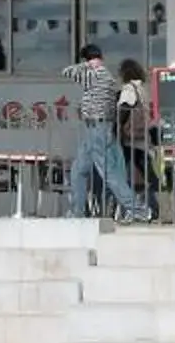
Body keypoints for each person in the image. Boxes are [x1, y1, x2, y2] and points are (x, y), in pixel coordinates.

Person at [62, 42, 152, 223]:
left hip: (97, 129)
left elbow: (67, 72)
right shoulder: (109, 79)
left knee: (109, 174)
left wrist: (89, 64)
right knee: (78, 170)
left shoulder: (95, 75)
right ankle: (77, 211)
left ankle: (139, 209)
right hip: (95, 128)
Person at [115, 56, 163, 214]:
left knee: (123, 175)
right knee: (146, 173)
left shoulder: (129, 89)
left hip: (130, 139)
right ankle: (154, 206)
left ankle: (130, 209)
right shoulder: (142, 88)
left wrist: (116, 128)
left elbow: (123, 110)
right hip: (142, 138)